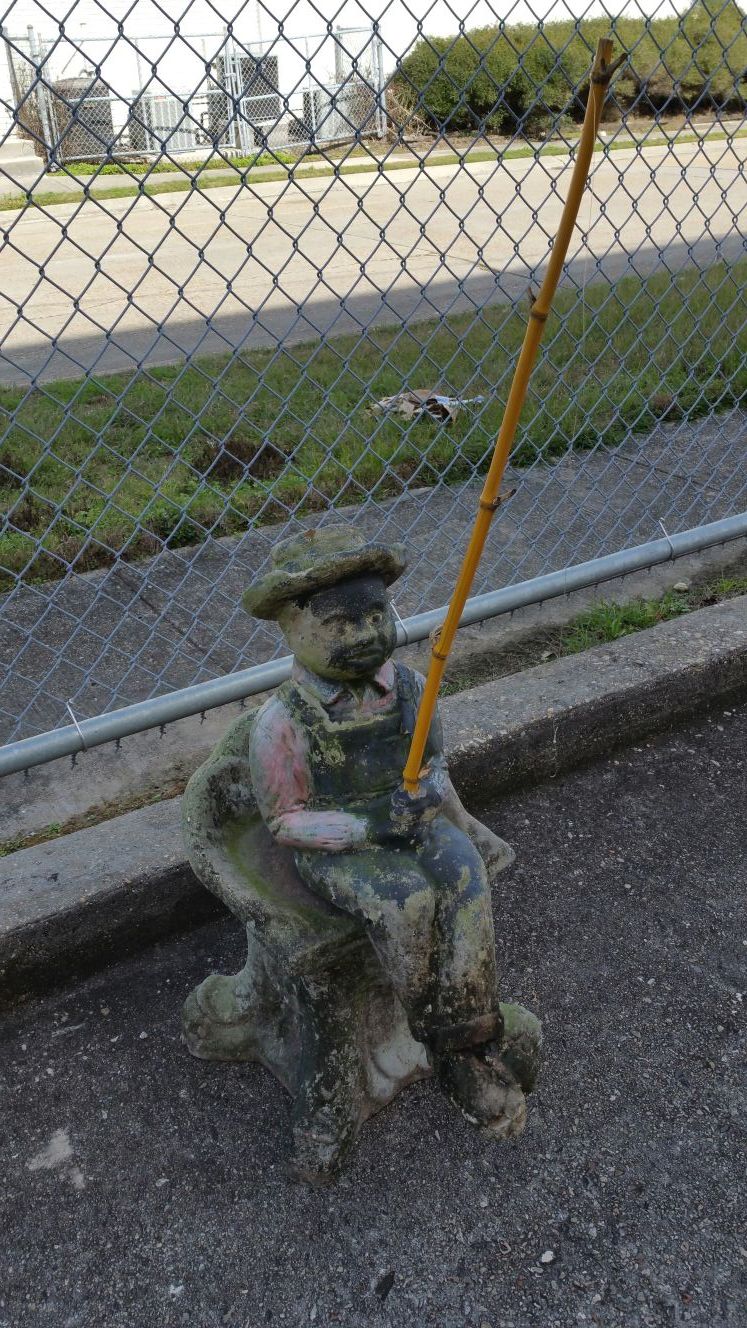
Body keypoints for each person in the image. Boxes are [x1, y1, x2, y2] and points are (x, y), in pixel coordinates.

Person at [245, 526, 540, 1137]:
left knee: (465, 882)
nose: (364, 637)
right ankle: (439, 1037)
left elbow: (435, 767)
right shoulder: (283, 722)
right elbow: (286, 819)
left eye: (376, 617)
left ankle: (468, 1038)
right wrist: (368, 823)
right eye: (340, 626)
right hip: (342, 848)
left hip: (417, 826)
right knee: (405, 903)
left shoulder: (410, 688)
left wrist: (429, 798)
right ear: (291, 629)